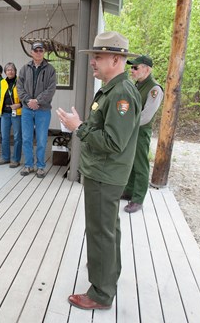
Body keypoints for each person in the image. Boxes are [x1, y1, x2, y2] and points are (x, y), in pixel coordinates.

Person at [57, 31, 141, 310]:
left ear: (116, 59)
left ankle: (101, 294)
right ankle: (108, 274)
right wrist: (82, 124)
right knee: (107, 229)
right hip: (103, 173)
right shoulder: (111, 89)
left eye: (99, 56)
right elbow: (104, 129)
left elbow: (113, 142)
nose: (93, 61)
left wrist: (78, 128)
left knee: (100, 232)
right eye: (93, 56)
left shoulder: (121, 94)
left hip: (105, 175)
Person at [123, 55, 164, 213]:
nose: (131, 70)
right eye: (131, 67)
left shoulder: (154, 89)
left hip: (140, 131)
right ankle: (129, 191)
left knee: (140, 164)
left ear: (147, 69)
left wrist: (125, 123)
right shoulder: (137, 85)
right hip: (131, 130)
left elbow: (146, 116)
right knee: (130, 162)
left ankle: (138, 198)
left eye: (135, 67)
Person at [17, 41, 57, 178]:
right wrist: (28, 100)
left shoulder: (50, 70)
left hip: (43, 110)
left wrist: (37, 101)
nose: (39, 52)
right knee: (26, 138)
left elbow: (51, 89)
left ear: (43, 52)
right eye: (36, 50)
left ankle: (40, 167)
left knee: (41, 139)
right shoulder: (24, 69)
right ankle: (28, 165)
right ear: (31, 52)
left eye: (41, 50)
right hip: (27, 109)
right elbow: (19, 87)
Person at [0, 62, 22, 168]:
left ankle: (16, 159)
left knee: (17, 137)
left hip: (17, 112)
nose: (10, 71)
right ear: (5, 72)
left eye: (12, 69)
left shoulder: (20, 81)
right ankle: (6, 157)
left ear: (15, 71)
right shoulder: (2, 82)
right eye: (8, 70)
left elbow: (25, 95)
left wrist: (19, 105)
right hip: (5, 112)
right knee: (4, 136)